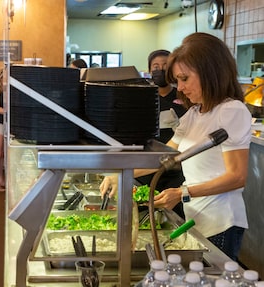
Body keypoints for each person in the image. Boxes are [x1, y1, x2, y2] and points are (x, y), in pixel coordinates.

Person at [101, 32, 251, 261]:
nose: (179, 88)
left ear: (210, 73)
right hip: (195, 217)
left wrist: (183, 192)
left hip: (221, 222)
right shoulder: (194, 114)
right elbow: (164, 159)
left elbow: (236, 176)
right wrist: (120, 174)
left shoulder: (231, 111)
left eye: (185, 79)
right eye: (177, 81)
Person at [135, 49, 188, 218]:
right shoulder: (142, 96)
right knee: (145, 214)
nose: (160, 70)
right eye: (155, 66)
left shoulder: (183, 96)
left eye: (165, 66)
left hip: (175, 169)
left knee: (173, 216)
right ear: (149, 70)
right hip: (146, 166)